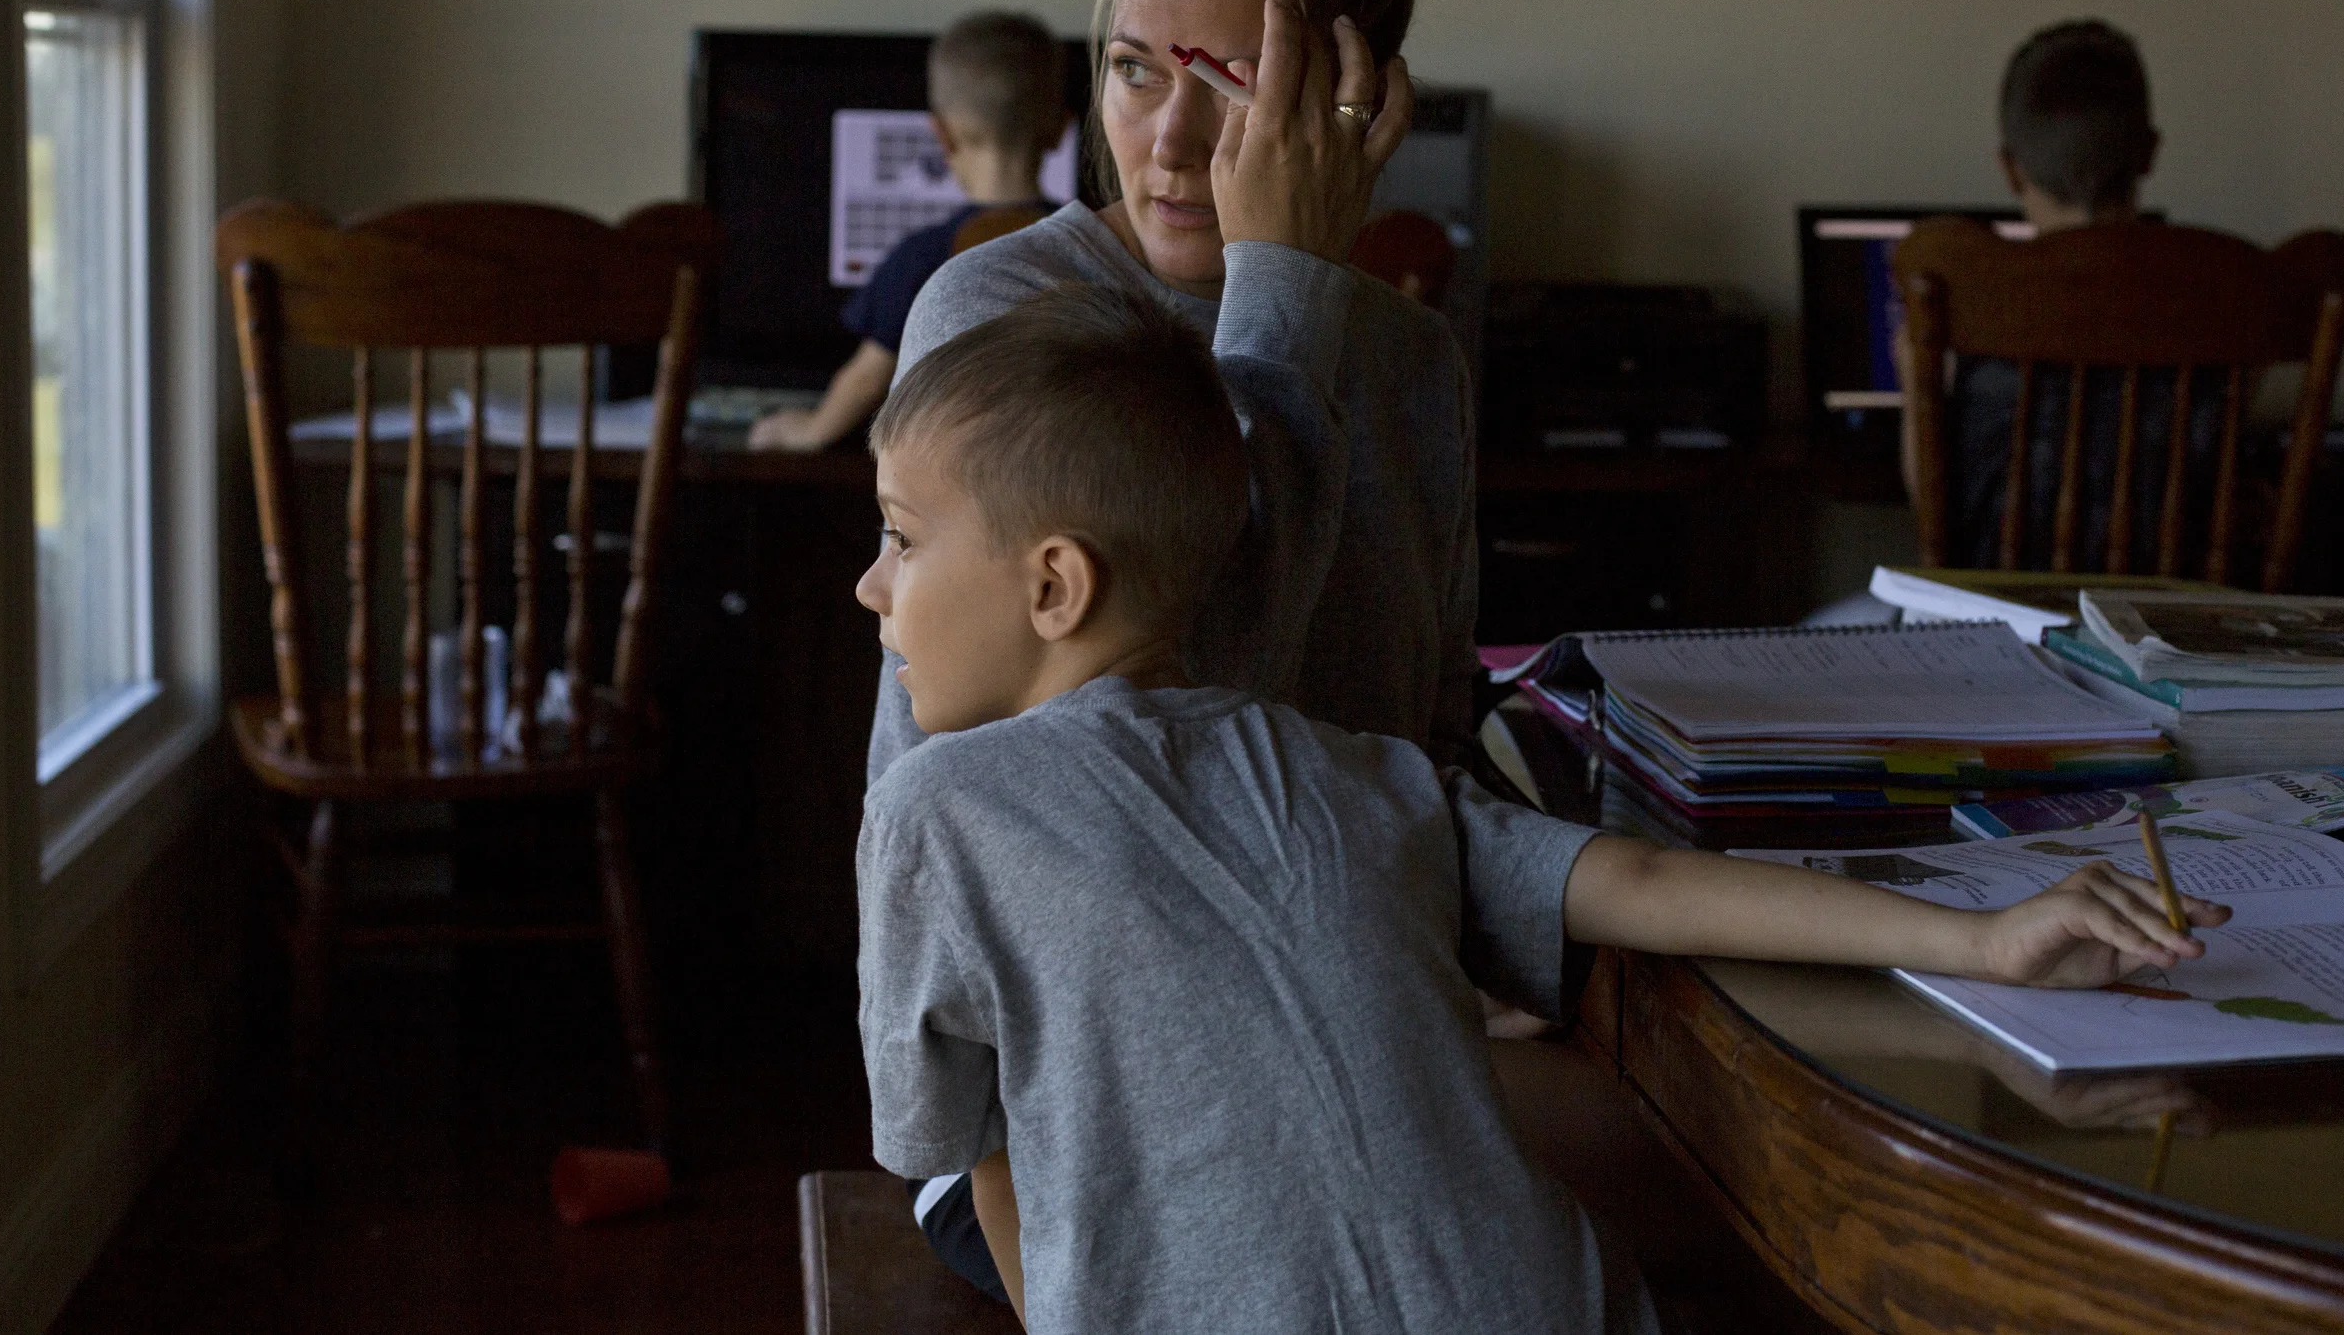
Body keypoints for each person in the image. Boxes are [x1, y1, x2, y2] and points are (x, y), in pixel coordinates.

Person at [854, 283, 2231, 1335]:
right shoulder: (1354, 765)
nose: (873, 585)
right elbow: (1636, 878)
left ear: (1054, 585)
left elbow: (968, 1155)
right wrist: (1990, 934)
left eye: (902, 537)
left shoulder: (935, 808)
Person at [867, 0, 1477, 1292]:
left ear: (1356, 95)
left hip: (1334, 1042)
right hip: (1058, 1095)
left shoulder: (1411, 365)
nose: (1171, 135)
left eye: (1230, 79)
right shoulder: (1000, 315)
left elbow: (1400, 741)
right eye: (1137, 68)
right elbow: (1197, 722)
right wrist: (1281, 297)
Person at [1895, 18, 2222, 573]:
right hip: (2162, 632)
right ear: (2149, 153)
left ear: (2009, 168)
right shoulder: (2226, 299)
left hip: (1995, 630)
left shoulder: (1962, 300)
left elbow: (1935, 516)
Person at [747, 10, 1066, 453]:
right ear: (1060, 128)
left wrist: (806, 429)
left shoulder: (922, 257)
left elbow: (867, 379)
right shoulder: (1089, 244)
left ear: (942, 135)